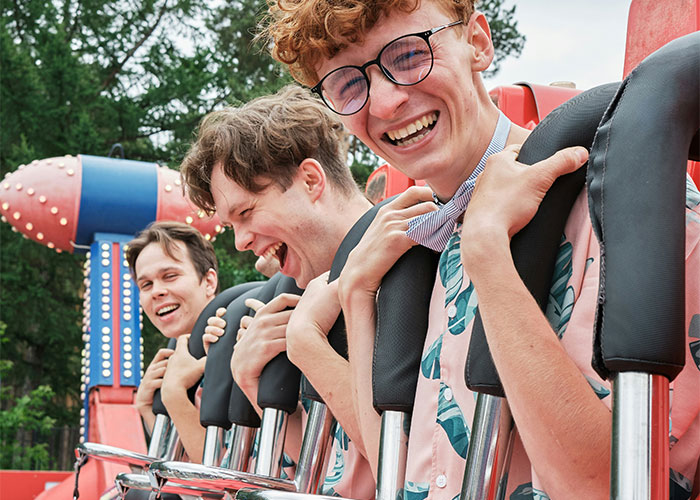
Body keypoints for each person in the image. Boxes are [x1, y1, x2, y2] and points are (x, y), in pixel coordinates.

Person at [263, 1, 700, 499]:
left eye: (408, 56)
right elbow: (396, 472)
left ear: (477, 42)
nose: (384, 103)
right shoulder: (410, 245)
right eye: (349, 84)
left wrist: (488, 253)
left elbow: (606, 487)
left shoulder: (627, 201)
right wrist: (359, 295)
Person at [180, 85, 389, 498]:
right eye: (230, 225)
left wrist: (306, 345)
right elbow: (332, 472)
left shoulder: (413, 265)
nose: (239, 242)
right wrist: (250, 378)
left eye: (247, 212)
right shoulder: (306, 294)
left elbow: (414, 464)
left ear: (311, 180)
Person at [126, 221, 218, 463]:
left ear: (209, 282)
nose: (157, 291)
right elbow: (175, 477)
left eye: (170, 276)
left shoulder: (239, 339)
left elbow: (225, 481)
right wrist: (148, 408)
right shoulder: (176, 357)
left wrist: (174, 395)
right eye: (146, 284)